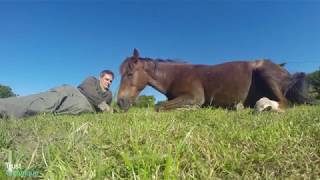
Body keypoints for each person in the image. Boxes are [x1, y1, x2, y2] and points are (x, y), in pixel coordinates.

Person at [0, 70, 114, 119]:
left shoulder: (109, 95)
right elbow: (87, 89)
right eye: (107, 79)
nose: (108, 82)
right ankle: (5, 105)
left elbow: (104, 110)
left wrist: (108, 108)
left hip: (83, 103)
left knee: (46, 105)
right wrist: (102, 105)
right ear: (100, 77)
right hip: (72, 90)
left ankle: (4, 109)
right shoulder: (91, 79)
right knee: (47, 97)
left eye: (110, 81)